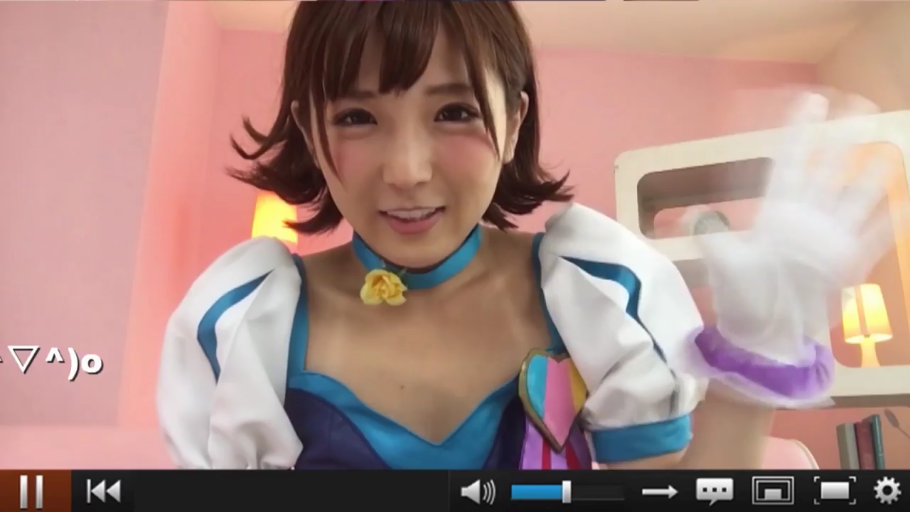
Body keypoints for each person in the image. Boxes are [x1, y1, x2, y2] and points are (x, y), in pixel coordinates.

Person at [157, 2, 899, 470]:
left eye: (453, 113)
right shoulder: (246, 325)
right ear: (309, 130)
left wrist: (754, 364)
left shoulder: (598, 290)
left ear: (513, 121)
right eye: (357, 117)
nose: (407, 171)